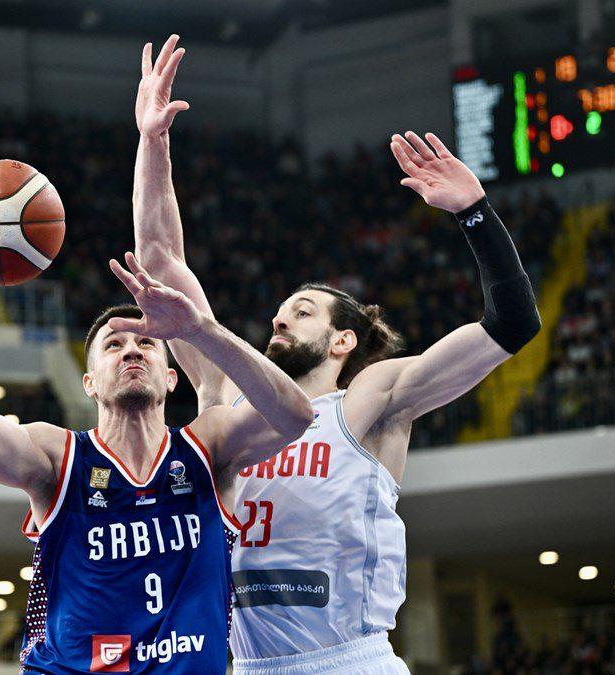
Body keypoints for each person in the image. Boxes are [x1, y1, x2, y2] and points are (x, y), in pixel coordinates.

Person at [132, 35, 541, 674]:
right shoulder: (225, 394)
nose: (279, 318)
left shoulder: (371, 400)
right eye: (280, 311)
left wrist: (474, 211)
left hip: (349, 660)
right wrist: (152, 143)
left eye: (302, 312)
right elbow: (161, 261)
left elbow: (512, 323)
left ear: (342, 339)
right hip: (249, 666)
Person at [0, 187, 313, 673]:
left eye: (146, 343)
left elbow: (295, 415)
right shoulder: (59, 457)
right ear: (89, 383)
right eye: (113, 345)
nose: (131, 350)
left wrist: (200, 330)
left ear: (171, 377)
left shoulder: (207, 448)